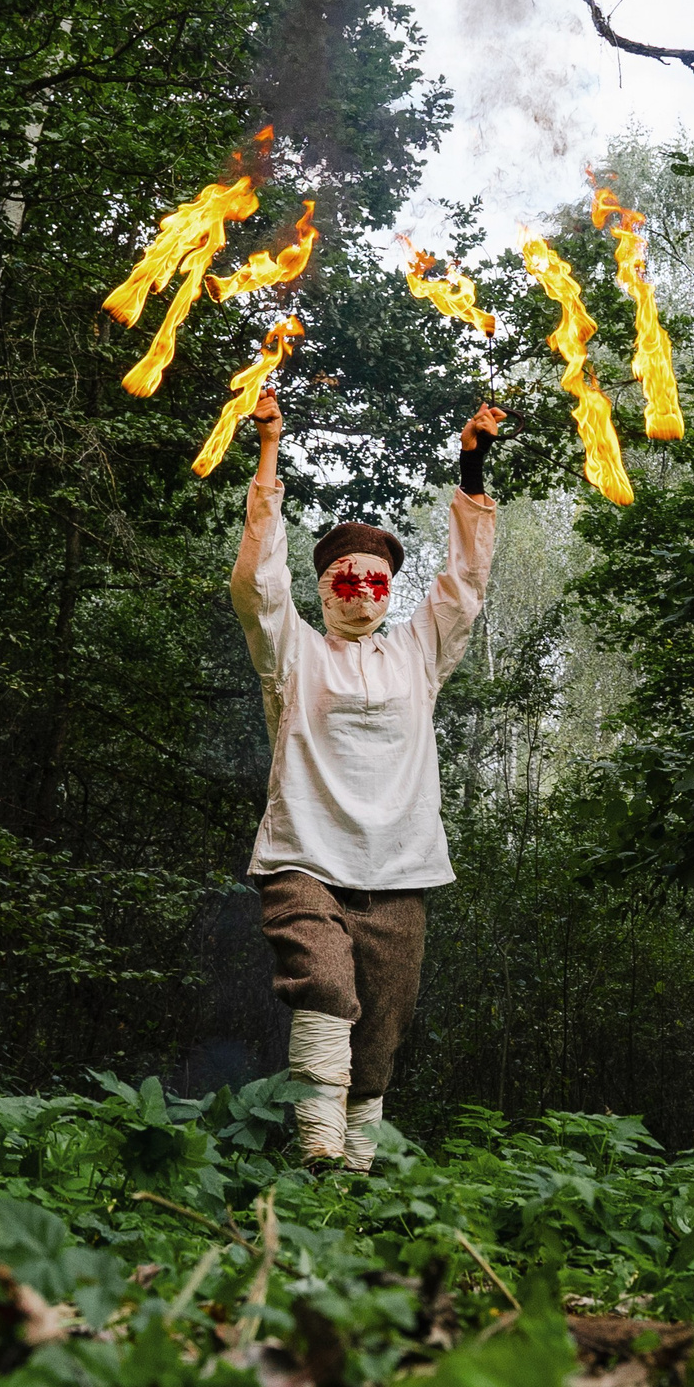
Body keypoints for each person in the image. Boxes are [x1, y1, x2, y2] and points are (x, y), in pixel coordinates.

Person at [231, 389, 506, 1171]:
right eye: (346, 580)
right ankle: (317, 1149)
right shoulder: (294, 653)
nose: (361, 591)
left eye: (376, 581)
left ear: (390, 591)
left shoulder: (419, 654)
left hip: (399, 867)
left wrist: (472, 465)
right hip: (304, 858)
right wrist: (268, 451)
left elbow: (463, 586)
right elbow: (258, 585)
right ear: (323, 588)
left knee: (383, 1025)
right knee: (322, 984)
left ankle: (355, 1172)